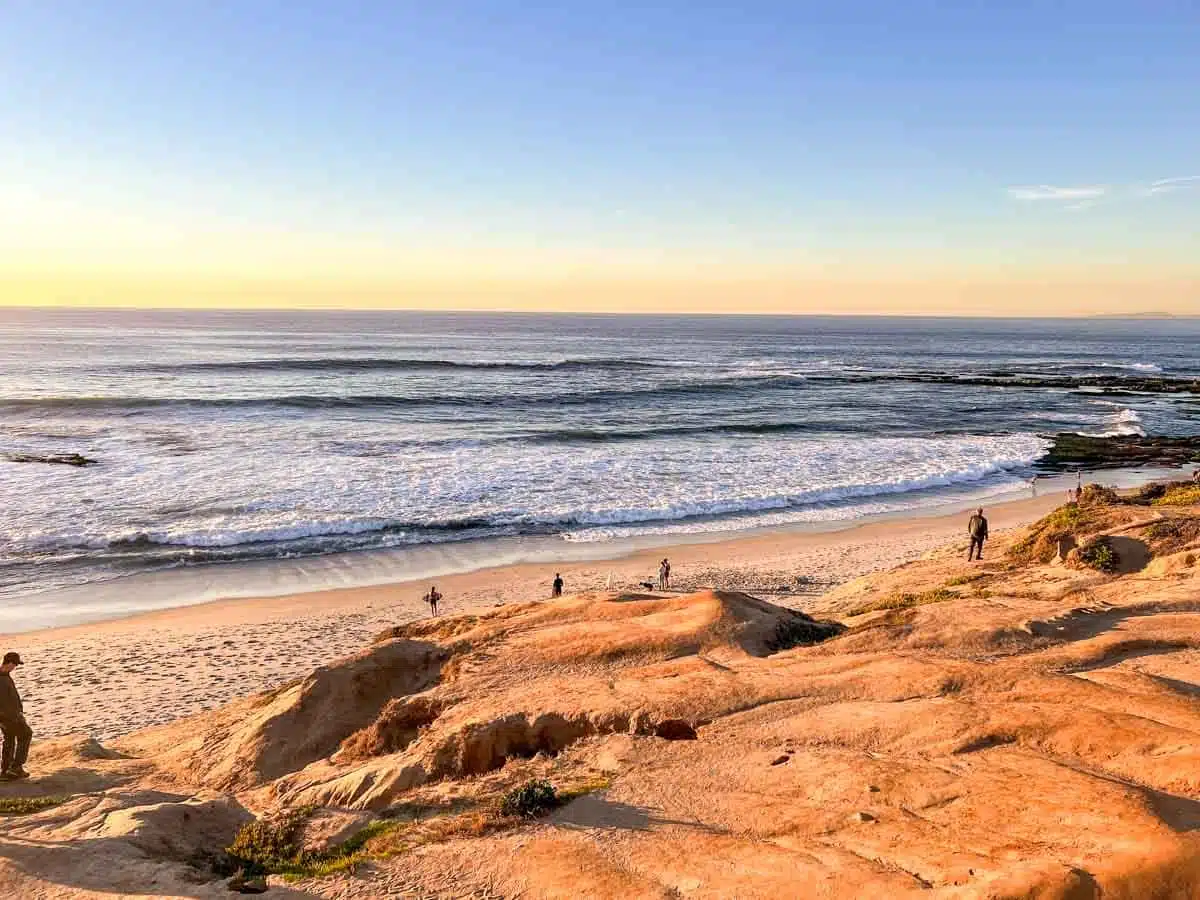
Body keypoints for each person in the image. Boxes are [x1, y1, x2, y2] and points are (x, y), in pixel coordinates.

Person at [0, 652, 31, 780]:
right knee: (26, 734)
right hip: (9, 717)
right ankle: (16, 767)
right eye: (15, 665)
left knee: (10, 740)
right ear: (10, 663)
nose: (15, 668)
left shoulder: (4, 675)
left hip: (9, 716)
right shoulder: (1, 679)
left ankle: (6, 771)